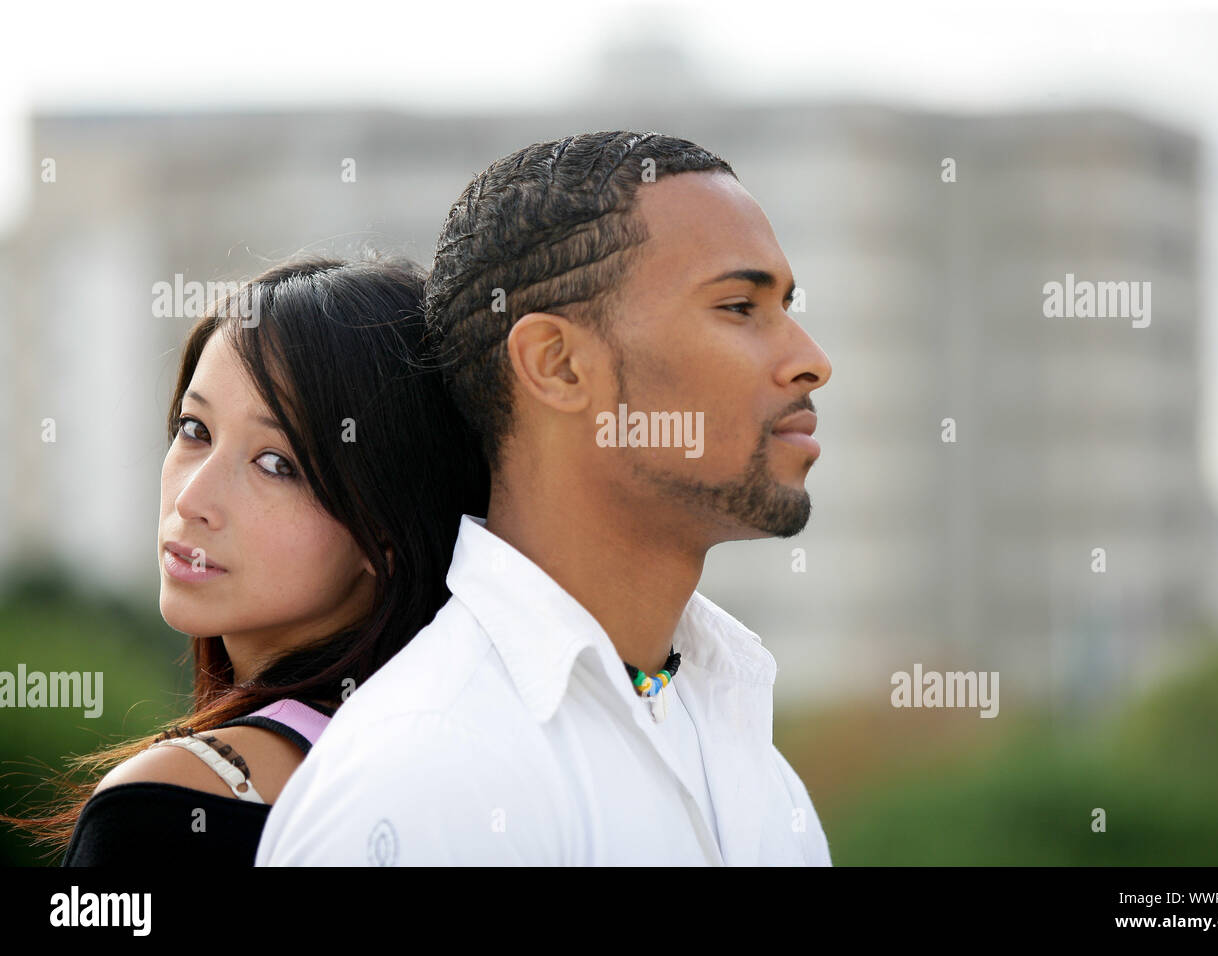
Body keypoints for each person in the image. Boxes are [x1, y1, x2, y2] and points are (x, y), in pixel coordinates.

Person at [257, 131, 834, 866]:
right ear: (557, 365)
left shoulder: (740, 747)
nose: (811, 361)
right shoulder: (427, 777)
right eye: (739, 307)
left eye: (786, 305)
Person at [2, 253, 488, 865]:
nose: (192, 498)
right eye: (194, 428)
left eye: (275, 464)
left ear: (385, 530)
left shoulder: (168, 806)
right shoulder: (465, 775)